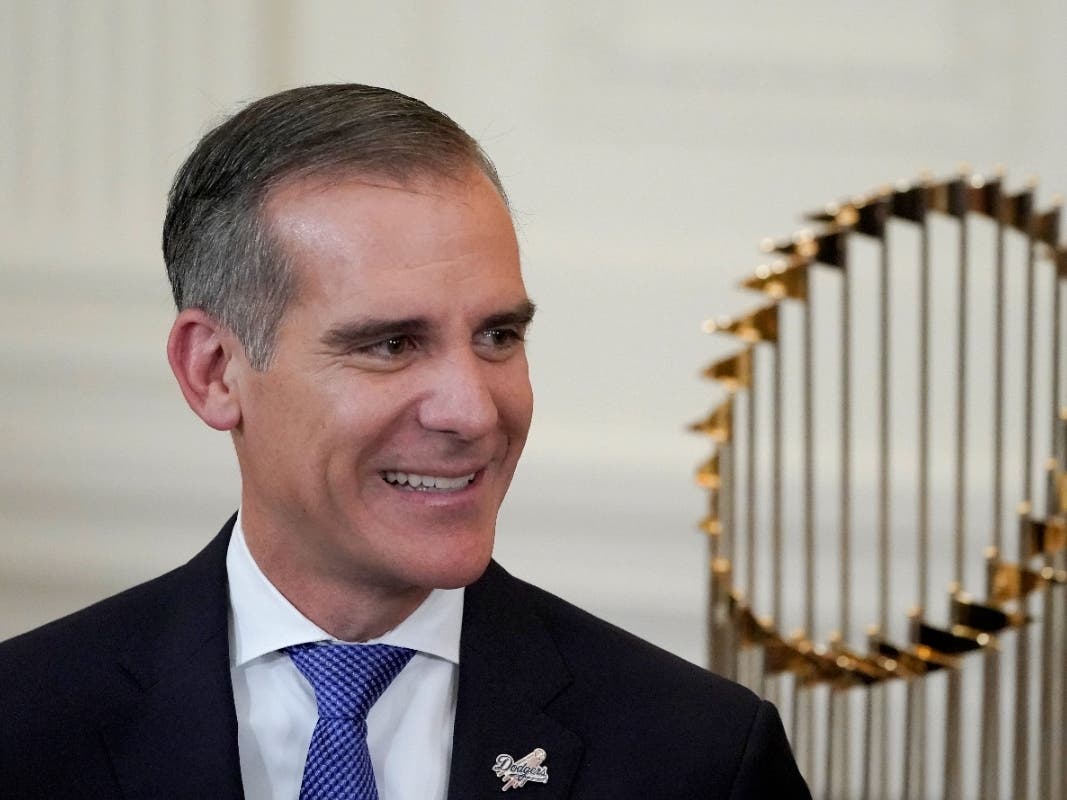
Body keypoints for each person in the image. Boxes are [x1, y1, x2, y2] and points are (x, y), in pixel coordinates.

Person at [0, 84, 809, 799]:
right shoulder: (23, 725)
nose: (473, 411)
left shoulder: (698, 757)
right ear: (214, 371)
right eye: (390, 344)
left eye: (497, 336)